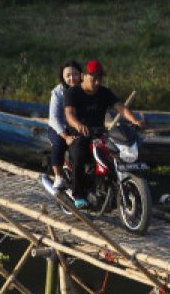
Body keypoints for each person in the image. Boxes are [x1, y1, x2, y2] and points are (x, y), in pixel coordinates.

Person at [63, 59, 144, 209]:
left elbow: (121, 108)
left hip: (99, 134)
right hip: (79, 136)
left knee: (116, 155)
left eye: (99, 78)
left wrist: (135, 120)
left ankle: (112, 188)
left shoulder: (104, 92)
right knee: (79, 156)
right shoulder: (73, 93)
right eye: (94, 78)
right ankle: (78, 194)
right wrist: (78, 125)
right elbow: (69, 114)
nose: (97, 82)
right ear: (83, 76)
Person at [47, 59, 82, 191]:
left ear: (81, 74)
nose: (72, 78)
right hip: (59, 128)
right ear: (63, 77)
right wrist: (66, 136)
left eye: (75, 74)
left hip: (76, 126)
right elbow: (54, 118)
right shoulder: (58, 92)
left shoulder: (85, 89)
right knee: (59, 144)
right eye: (68, 75)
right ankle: (58, 175)